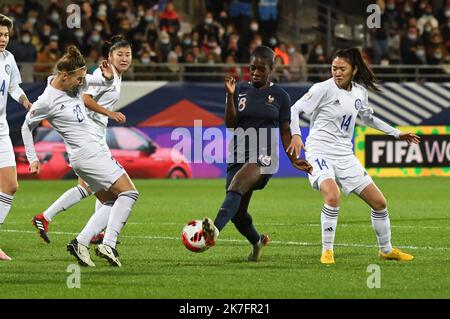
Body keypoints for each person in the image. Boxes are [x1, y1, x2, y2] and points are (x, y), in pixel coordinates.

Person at [287, 48, 421, 265]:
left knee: (379, 203)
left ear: (354, 70)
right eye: (334, 68)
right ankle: (327, 251)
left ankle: (386, 250)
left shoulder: (359, 92)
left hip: (345, 155)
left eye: (342, 69)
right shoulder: (322, 89)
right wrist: (295, 134)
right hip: (319, 151)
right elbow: (294, 109)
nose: (337, 73)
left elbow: (369, 119)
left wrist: (397, 133)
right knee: (333, 196)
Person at [22, 45, 139, 267]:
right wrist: (33, 158)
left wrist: (105, 77)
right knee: (130, 193)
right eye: (78, 79)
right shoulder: (47, 101)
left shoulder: (72, 84)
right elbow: (26, 127)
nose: (81, 83)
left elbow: (99, 84)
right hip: (90, 153)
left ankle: (81, 242)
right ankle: (109, 244)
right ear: (65, 76)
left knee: (111, 201)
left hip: (84, 155)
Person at [202, 46, 312, 262]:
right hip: (238, 153)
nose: (255, 72)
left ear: (271, 69)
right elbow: (231, 124)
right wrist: (229, 95)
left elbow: (285, 131)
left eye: (261, 69)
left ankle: (213, 231)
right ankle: (258, 242)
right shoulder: (239, 89)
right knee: (238, 214)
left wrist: (294, 160)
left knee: (237, 184)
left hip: (265, 155)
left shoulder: (281, 96)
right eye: (252, 68)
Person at [0, 14, 33, 261]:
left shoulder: (9, 58)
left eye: (6, 35)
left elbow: (13, 87)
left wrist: (24, 101)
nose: (3, 39)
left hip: (0, 128)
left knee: (10, 185)